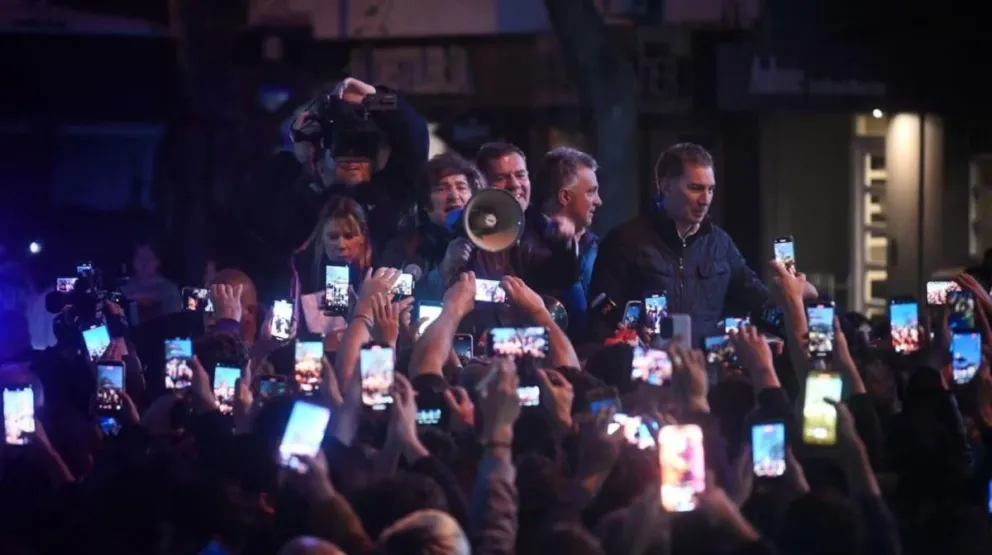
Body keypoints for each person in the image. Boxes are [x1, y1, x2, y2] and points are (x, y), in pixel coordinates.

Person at [588, 142, 815, 342]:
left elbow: (758, 305)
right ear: (665, 186)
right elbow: (601, 318)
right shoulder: (625, 240)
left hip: (707, 374)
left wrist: (794, 301)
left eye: (711, 189)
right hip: (647, 374)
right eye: (695, 188)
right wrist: (629, 336)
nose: (705, 200)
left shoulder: (720, 244)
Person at [291, 77, 429, 252]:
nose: (351, 156)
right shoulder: (311, 201)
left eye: (362, 144)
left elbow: (414, 136)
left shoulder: (394, 191)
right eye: (340, 146)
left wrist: (373, 97)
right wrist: (303, 156)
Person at [378, 152, 484, 299]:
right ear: (426, 204)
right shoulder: (404, 248)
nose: (454, 195)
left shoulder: (489, 244)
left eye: (461, 187)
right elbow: (395, 298)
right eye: (442, 188)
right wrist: (442, 272)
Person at [292, 196, 373, 337]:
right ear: (322, 237)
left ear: (362, 236)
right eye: (333, 237)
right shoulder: (302, 272)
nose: (341, 245)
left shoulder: (375, 276)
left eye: (348, 236)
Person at [121, 241, 182, 325]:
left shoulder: (170, 290)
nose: (144, 263)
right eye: (140, 258)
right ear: (133, 262)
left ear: (158, 261)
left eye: (149, 258)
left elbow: (175, 324)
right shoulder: (124, 289)